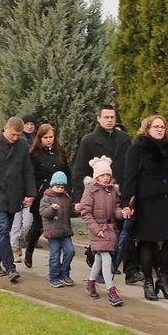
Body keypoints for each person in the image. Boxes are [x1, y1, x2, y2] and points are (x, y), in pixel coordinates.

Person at [70, 104, 138, 282]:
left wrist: (132, 190)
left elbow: (131, 166)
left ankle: (131, 269)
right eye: (106, 117)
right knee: (104, 231)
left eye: (112, 117)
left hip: (120, 191)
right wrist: (78, 197)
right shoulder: (89, 141)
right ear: (99, 118)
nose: (109, 120)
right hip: (98, 194)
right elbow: (79, 170)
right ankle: (99, 267)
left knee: (127, 229)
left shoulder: (124, 139)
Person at [121, 115, 168, 302]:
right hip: (147, 200)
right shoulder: (137, 149)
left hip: (167, 200)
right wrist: (126, 202)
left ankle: (163, 279)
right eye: (156, 126)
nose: (159, 129)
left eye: (162, 127)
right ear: (147, 128)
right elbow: (130, 177)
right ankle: (148, 281)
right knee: (148, 241)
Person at [0, 116, 36, 284]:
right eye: (13, 134)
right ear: (6, 129)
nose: (16, 138)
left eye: (19, 135)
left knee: (4, 231)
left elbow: (27, 170)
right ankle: (10, 267)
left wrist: (30, 193)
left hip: (14, 195)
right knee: (3, 229)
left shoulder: (23, 144)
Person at [23, 124, 69, 269]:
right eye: (45, 137)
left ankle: (58, 258)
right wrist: (31, 193)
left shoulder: (60, 152)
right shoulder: (34, 154)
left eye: (51, 137)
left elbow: (67, 171)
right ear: (40, 138)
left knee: (60, 225)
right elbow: (29, 175)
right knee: (38, 226)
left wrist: (68, 190)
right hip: (42, 195)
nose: (49, 140)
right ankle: (29, 250)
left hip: (59, 194)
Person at [79, 156, 124, 306]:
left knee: (99, 257)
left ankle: (91, 283)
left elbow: (115, 210)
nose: (105, 178)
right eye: (102, 175)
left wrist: (122, 213)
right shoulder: (91, 191)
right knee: (106, 258)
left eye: (107, 175)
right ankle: (111, 290)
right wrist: (96, 229)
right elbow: (85, 212)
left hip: (109, 229)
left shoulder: (113, 191)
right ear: (96, 176)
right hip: (97, 229)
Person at [37, 170, 74, 288]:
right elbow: (43, 213)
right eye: (57, 186)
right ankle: (53, 276)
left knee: (70, 251)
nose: (60, 189)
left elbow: (71, 212)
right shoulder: (46, 198)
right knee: (54, 255)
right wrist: (52, 209)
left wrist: (77, 209)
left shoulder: (67, 198)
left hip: (65, 231)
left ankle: (64, 273)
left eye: (62, 187)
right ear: (52, 186)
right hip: (52, 232)